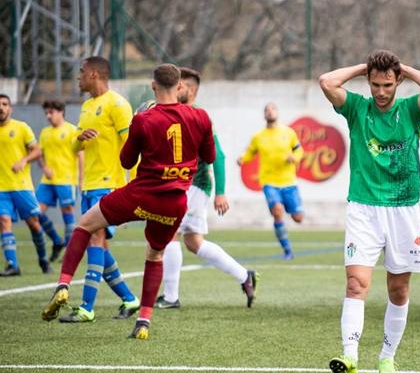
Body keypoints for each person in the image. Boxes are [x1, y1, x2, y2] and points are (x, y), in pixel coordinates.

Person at [42, 63, 216, 340]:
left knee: (84, 225)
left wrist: (139, 125)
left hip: (141, 194)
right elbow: (209, 156)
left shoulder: (145, 118)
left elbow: (126, 161)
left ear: (153, 86)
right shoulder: (202, 117)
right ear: (180, 86)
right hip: (174, 203)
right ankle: (144, 321)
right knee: (155, 255)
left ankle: (63, 284)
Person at [318, 50, 420, 373]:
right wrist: (363, 68)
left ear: (398, 81)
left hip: (404, 209)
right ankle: (349, 356)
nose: (381, 91)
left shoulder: (410, 111)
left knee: (398, 290)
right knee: (356, 283)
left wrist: (405, 68)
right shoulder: (358, 108)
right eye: (375, 84)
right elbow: (326, 81)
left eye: (387, 84)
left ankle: (387, 358)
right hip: (363, 208)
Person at [43, 56, 139, 323]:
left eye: (82, 72)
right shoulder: (86, 107)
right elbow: (75, 149)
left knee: (93, 239)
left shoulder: (118, 104)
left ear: (95, 74)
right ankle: (130, 299)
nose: (78, 77)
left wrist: (134, 184)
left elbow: (133, 146)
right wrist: (79, 138)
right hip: (89, 186)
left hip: (110, 186)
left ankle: (86, 308)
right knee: (100, 247)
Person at [157, 67, 257, 310]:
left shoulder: (198, 117)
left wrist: (220, 192)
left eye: (178, 85)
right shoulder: (173, 114)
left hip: (193, 185)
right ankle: (245, 276)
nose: (174, 89)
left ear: (189, 90)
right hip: (183, 186)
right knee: (193, 242)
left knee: (170, 235)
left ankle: (171, 298)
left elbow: (219, 156)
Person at [237, 103, 304, 260]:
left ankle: (290, 209)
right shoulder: (258, 137)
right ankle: (287, 250)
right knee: (277, 211)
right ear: (264, 115)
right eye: (267, 110)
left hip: (288, 182)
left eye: (272, 109)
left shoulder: (288, 133)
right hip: (269, 182)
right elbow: (250, 152)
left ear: (277, 112)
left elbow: (299, 150)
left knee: (298, 218)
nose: (270, 112)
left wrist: (294, 158)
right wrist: (242, 159)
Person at [0, 94, 51, 276]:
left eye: (5, 104)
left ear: (10, 108)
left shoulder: (21, 128)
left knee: (34, 224)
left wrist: (23, 160)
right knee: (4, 222)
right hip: (1, 189)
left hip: (21, 186)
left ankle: (43, 260)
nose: (2, 108)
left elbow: (37, 150)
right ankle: (13, 265)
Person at [36, 99, 83, 262]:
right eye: (46, 113)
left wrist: (81, 180)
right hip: (48, 181)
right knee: (35, 212)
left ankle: (69, 252)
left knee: (67, 213)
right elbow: (39, 153)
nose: (48, 116)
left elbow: (81, 155)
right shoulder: (45, 133)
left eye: (51, 112)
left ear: (61, 112)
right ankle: (57, 240)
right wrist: (43, 167)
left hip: (67, 180)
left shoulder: (72, 130)